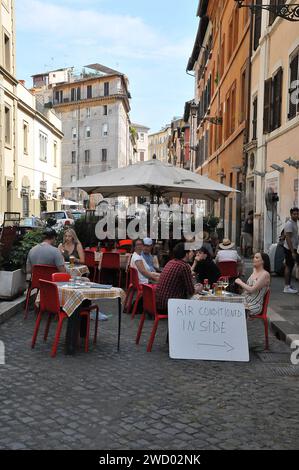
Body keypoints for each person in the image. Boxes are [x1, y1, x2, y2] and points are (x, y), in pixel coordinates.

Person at [156, 243, 202, 312]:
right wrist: (198, 289)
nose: (193, 254)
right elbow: (191, 291)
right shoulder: (184, 266)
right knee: (198, 302)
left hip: (159, 303)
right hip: (170, 306)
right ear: (186, 254)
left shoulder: (170, 262)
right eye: (191, 251)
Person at [283, 207, 299, 294]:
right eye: (294, 214)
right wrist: (292, 252)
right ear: (291, 214)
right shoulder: (289, 224)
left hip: (293, 248)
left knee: (290, 265)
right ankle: (286, 286)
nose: (296, 215)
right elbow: (288, 238)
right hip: (289, 248)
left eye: (297, 214)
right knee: (288, 266)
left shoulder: (295, 222)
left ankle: (288, 285)